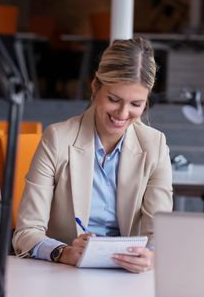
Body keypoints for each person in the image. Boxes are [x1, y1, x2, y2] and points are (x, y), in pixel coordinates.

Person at [12, 38, 173, 273]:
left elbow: (160, 235)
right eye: (114, 99)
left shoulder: (155, 145)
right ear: (95, 87)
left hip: (128, 276)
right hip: (65, 274)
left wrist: (152, 256)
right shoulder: (57, 138)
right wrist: (62, 252)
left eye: (136, 104)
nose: (123, 113)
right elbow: (25, 233)